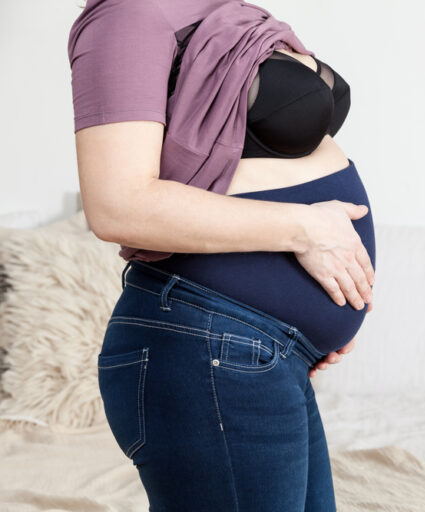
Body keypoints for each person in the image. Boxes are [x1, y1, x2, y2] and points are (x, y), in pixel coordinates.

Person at [68, 0, 376, 510]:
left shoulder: (228, 7)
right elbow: (115, 204)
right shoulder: (128, 15)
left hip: (257, 350)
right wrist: (309, 230)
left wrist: (341, 292)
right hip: (208, 343)